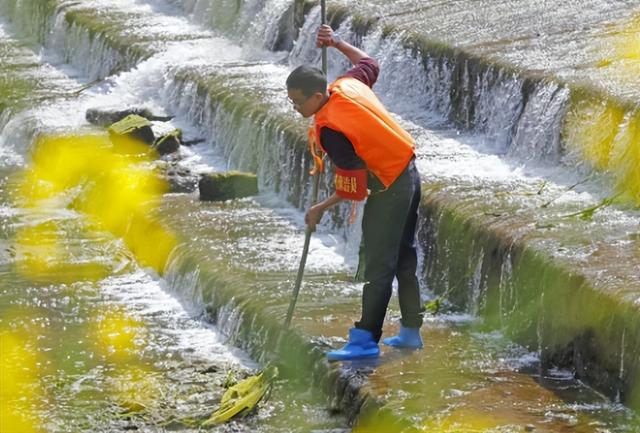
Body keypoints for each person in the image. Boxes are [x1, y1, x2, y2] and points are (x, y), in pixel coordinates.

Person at [286, 25, 424, 361]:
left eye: (297, 101)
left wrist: (320, 207)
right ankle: (410, 332)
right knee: (403, 256)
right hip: (409, 170)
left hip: (389, 187)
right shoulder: (347, 84)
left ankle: (364, 340)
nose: (295, 107)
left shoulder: (332, 129)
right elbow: (369, 62)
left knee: (379, 264)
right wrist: (336, 43)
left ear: (317, 97)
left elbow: (355, 187)